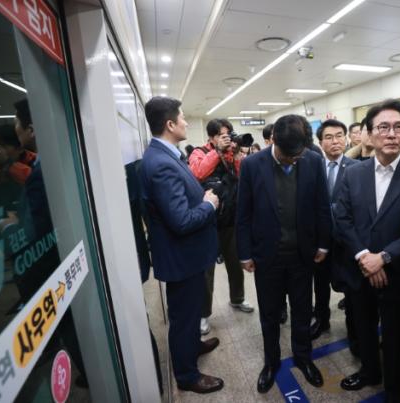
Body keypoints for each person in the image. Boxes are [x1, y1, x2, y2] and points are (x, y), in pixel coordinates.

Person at [335, 99, 400, 403]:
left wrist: (384, 258)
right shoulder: (353, 173)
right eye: (383, 127)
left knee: (398, 336)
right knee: (363, 328)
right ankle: (369, 371)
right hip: (359, 270)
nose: (391, 134)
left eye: (398, 127)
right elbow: (343, 218)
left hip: (398, 273)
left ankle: (395, 388)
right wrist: (364, 257)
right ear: (369, 132)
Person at [236, 114, 331, 394]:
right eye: (288, 156)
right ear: (273, 141)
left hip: (303, 254)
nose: (293, 161)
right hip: (267, 256)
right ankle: (271, 362)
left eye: (297, 156)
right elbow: (244, 213)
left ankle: (303, 357)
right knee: (269, 314)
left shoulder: (312, 160)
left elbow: (322, 205)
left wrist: (323, 244)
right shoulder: (252, 165)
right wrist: (244, 253)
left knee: (302, 311)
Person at [140, 97, 223, 394]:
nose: (187, 122)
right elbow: (181, 221)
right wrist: (208, 204)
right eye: (183, 117)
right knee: (184, 316)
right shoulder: (160, 164)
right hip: (182, 257)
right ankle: (187, 375)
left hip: (189, 255)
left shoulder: (166, 156)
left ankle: (192, 345)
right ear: (170, 124)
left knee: (189, 311)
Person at [189, 119, 254, 336]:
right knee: (206, 270)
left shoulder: (231, 154)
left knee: (235, 263)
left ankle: (238, 298)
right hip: (207, 221)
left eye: (229, 134)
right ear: (211, 137)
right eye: (221, 135)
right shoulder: (199, 152)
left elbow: (243, 178)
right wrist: (217, 151)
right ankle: (203, 314)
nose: (226, 138)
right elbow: (197, 173)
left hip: (231, 219)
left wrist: (236, 156)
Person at [310, 119, 358, 340]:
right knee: (320, 284)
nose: (335, 141)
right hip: (320, 239)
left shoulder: (357, 168)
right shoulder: (312, 168)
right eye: (328, 137)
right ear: (320, 142)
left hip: (346, 239)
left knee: (349, 284)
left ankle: (353, 323)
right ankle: (322, 320)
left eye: (339, 136)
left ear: (346, 139)